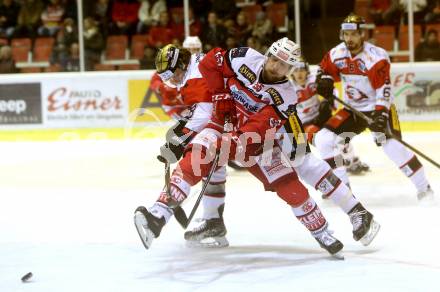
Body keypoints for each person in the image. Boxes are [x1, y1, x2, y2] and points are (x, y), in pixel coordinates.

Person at [134, 38, 380, 257]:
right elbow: (212, 63)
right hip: (238, 127)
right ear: (268, 54)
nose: (276, 67)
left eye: (284, 65)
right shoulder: (245, 58)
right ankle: (190, 218)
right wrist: (220, 97)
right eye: (274, 59)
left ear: (290, 69)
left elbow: (253, 133)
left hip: (276, 130)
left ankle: (357, 212)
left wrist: (223, 139)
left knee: (306, 165)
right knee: (202, 155)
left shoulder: (285, 96)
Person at [314, 13, 434, 202]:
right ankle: (342, 189)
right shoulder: (337, 54)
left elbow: (383, 90)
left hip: (378, 107)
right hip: (353, 109)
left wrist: (380, 115)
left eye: (353, 34)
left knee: (392, 147)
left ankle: (424, 188)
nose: (349, 39)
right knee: (323, 139)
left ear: (363, 34)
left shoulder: (376, 57)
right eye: (346, 34)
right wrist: (324, 82)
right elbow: (324, 71)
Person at [289, 58, 370, 175]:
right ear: (291, 73)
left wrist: (331, 101)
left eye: (302, 70)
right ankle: (337, 164)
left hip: (322, 117)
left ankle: (351, 160)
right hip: (305, 124)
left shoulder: (314, 81)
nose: (299, 73)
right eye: (296, 70)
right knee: (322, 141)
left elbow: (333, 89)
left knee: (340, 136)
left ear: (307, 71)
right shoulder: (289, 88)